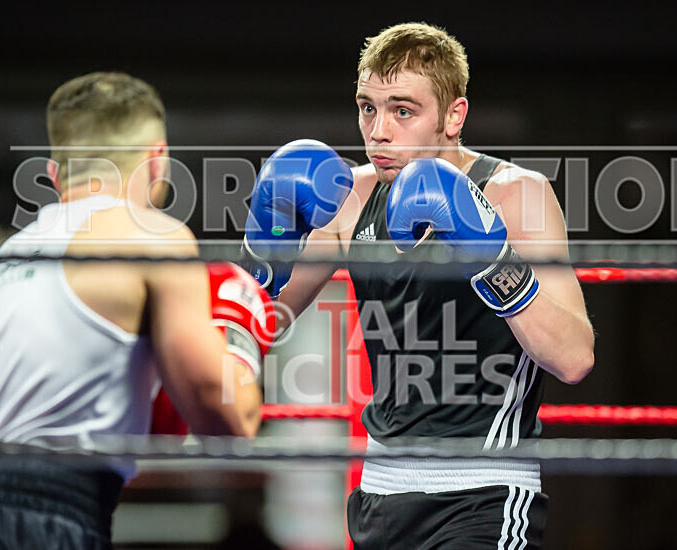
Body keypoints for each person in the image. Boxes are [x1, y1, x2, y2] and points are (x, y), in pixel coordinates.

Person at [249, 23, 595, 548]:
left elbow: (574, 358)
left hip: (484, 493)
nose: (379, 131)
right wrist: (263, 253)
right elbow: (262, 326)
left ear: (454, 116)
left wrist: (491, 258)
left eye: (402, 111)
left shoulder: (517, 195)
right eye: (368, 108)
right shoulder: (352, 197)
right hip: (379, 495)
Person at [0, 72, 271, 549]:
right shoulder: (153, 236)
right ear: (158, 161)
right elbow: (228, 422)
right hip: (48, 514)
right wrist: (239, 332)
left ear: (54, 174)